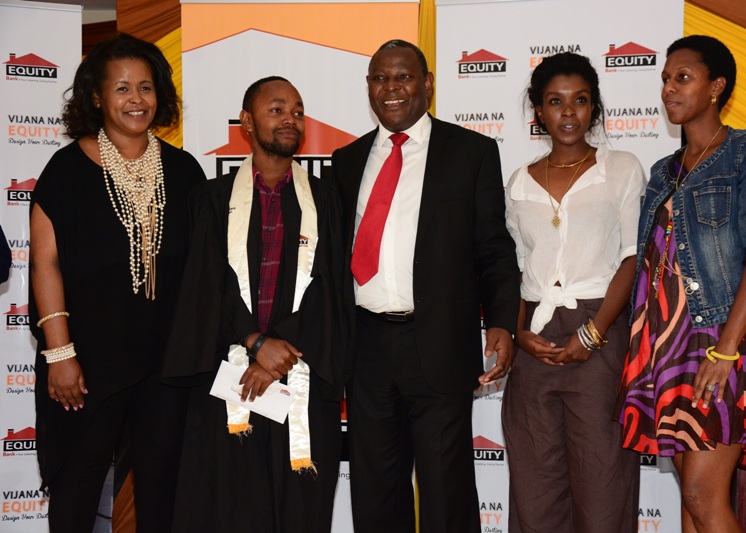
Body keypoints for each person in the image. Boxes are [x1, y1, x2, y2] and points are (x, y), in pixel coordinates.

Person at [331, 39, 520, 532]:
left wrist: (501, 322)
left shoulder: (471, 152)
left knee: (446, 492)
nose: (391, 89)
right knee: (374, 490)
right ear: (369, 88)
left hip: (436, 342)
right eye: (379, 78)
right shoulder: (346, 160)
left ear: (428, 85)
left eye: (403, 77)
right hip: (366, 347)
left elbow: (494, 249)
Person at [28, 34, 205, 532]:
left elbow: (203, 272)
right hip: (86, 365)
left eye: (146, 88)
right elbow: (45, 264)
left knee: (163, 494)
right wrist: (60, 355)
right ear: (96, 98)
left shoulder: (184, 170)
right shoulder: (65, 171)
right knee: (77, 492)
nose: (136, 100)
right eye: (122, 88)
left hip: (166, 367)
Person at [617, 35, 746, 533]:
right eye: (666, 79)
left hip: (728, 338)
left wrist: (727, 349)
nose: (669, 88)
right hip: (672, 344)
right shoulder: (661, 173)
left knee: (700, 492)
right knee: (694, 500)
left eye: (683, 77)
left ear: (716, 87)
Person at [162, 76, 347, 532]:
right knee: (231, 511)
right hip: (229, 381)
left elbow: (331, 290)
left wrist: (278, 354)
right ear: (247, 122)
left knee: (300, 511)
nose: (291, 119)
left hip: (301, 375)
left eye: (298, 111)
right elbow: (204, 287)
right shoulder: (211, 198)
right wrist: (255, 341)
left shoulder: (326, 200)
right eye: (277, 109)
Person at [502, 52, 644, 533]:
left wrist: (595, 332)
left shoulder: (621, 168)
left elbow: (632, 255)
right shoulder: (519, 181)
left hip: (600, 331)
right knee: (534, 485)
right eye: (555, 102)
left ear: (594, 108)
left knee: (603, 485)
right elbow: (515, 268)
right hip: (534, 340)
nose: (568, 113)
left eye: (579, 101)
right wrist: (518, 332)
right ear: (538, 112)